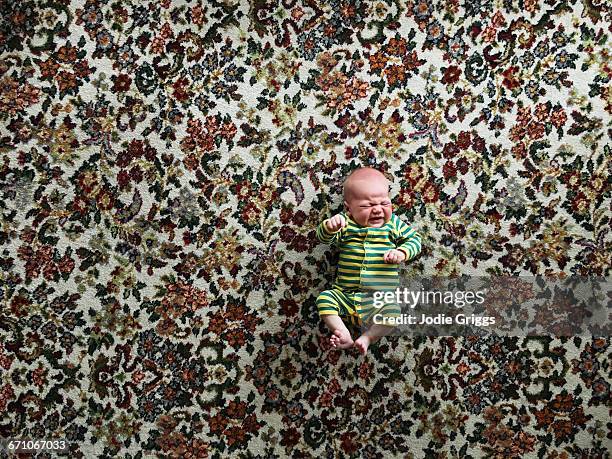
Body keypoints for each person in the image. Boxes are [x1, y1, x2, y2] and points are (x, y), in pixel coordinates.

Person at [316, 167, 421, 355]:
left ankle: (369, 336)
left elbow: (415, 240)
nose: (378, 210)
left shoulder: (393, 224)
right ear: (349, 208)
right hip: (344, 294)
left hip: (378, 298)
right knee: (324, 299)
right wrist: (329, 227)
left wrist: (402, 252)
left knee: (393, 312)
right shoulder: (345, 222)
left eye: (384, 203)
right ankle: (343, 333)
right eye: (367, 206)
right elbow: (324, 238)